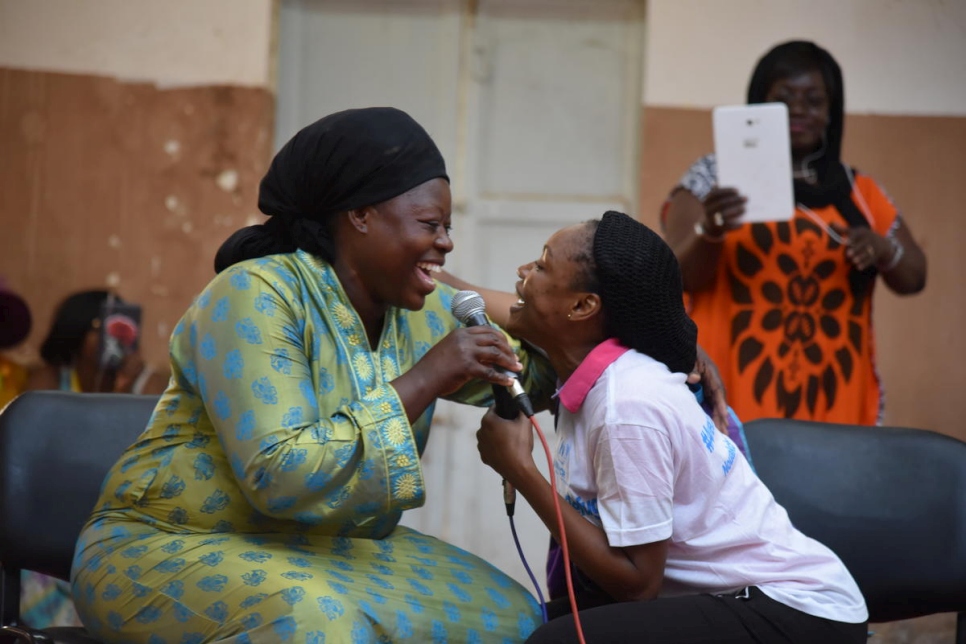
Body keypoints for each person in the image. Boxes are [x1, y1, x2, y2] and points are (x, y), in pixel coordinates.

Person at [70, 107, 558, 643]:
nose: (445, 242)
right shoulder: (255, 293)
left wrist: (521, 300)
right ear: (361, 215)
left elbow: (543, 362)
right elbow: (279, 475)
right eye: (429, 225)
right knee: (315, 623)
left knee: (516, 622)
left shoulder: (421, 310)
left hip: (325, 552)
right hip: (167, 543)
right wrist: (427, 377)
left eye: (447, 228)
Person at [475, 211, 869, 643]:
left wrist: (521, 470)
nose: (523, 271)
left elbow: (637, 585)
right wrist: (431, 277)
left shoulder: (627, 406)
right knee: (513, 624)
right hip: (731, 598)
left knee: (556, 640)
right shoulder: (584, 365)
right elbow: (488, 304)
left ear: (583, 306)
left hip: (796, 610)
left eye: (543, 264)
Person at [661, 40, 926, 425]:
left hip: (837, 410)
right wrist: (711, 230)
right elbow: (676, 277)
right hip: (727, 406)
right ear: (759, 104)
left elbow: (915, 276)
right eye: (783, 99)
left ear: (832, 113)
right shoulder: (714, 179)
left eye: (814, 101)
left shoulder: (859, 192)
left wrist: (883, 249)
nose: (798, 111)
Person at [26, 290, 168, 396]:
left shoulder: (147, 383)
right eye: (99, 328)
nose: (112, 337)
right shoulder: (50, 380)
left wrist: (125, 389)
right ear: (76, 332)